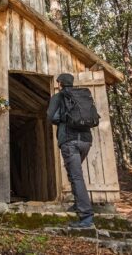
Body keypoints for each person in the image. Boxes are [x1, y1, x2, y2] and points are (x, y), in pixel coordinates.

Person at [47, 73, 94, 228]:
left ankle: (86, 216)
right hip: (86, 141)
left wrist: (62, 119)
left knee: (76, 176)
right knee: (73, 173)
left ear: (60, 83)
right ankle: (77, 204)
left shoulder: (58, 97)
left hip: (69, 141)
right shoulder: (82, 96)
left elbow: (51, 117)